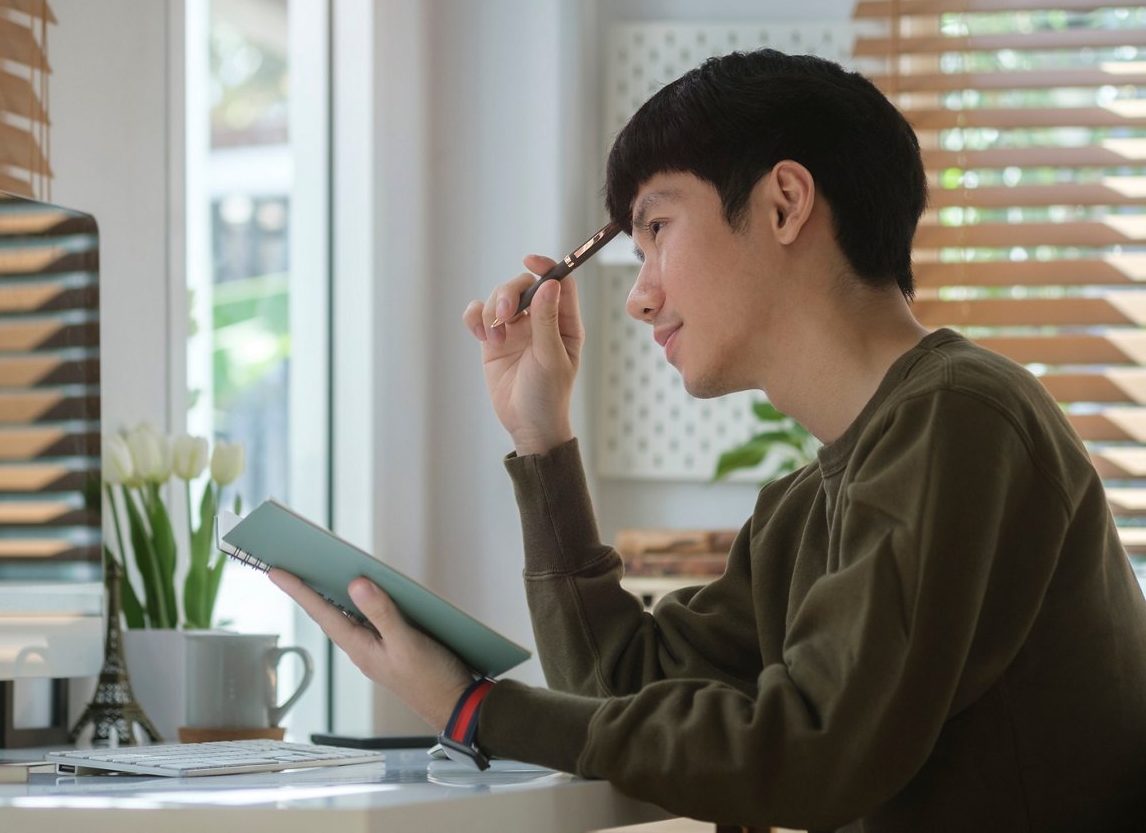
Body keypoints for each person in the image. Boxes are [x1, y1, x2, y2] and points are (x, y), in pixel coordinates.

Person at [270, 50, 1146, 831]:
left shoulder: (964, 418)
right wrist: (540, 437)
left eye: (656, 229)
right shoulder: (809, 504)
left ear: (785, 203)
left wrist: (475, 713)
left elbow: (810, 751)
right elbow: (622, 686)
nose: (641, 296)